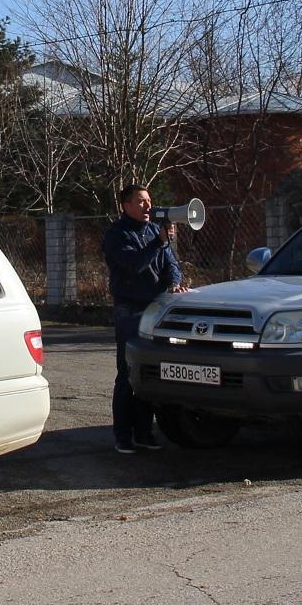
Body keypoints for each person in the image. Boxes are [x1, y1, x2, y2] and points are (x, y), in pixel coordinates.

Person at [102, 184, 182, 454]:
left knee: (150, 372)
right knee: (128, 372)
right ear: (125, 205)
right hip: (130, 309)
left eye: (149, 200)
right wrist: (158, 242)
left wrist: (174, 282)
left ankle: (144, 432)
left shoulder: (153, 231)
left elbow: (171, 263)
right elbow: (134, 264)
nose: (148, 206)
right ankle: (123, 435)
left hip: (156, 307)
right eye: (140, 201)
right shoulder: (116, 234)